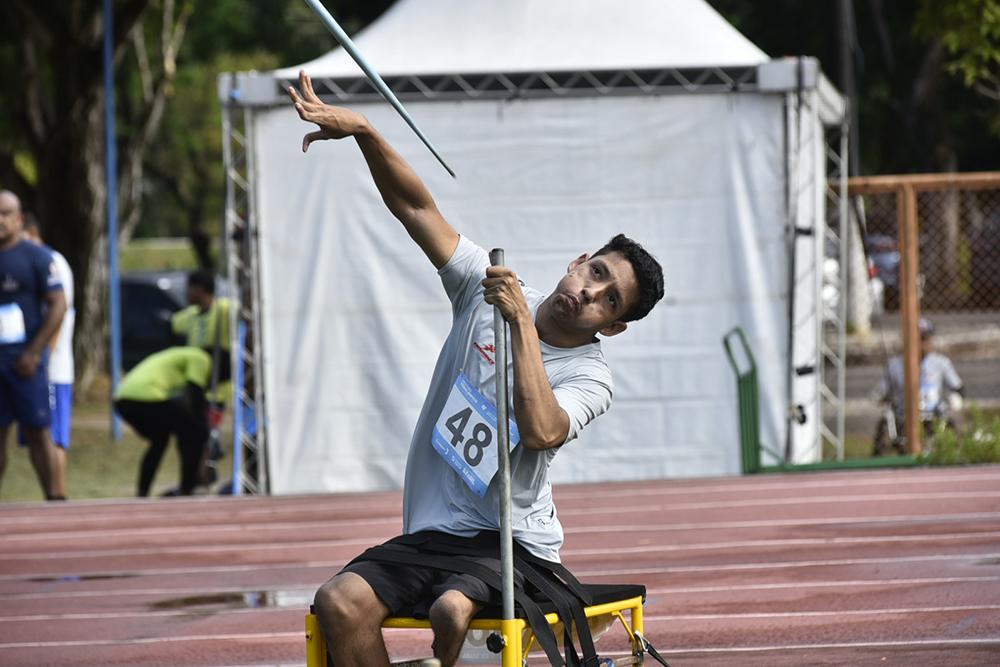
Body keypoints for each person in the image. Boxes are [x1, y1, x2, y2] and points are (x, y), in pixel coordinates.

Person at [288, 71, 665, 667]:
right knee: (338, 602)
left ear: (612, 327)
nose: (590, 292)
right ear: (577, 261)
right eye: (594, 272)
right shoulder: (479, 289)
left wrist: (518, 324)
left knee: (450, 610)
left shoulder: (592, 377)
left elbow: (541, 430)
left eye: (609, 299)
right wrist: (363, 130)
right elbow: (415, 207)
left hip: (516, 546)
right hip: (432, 535)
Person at [0, 190, 67, 501]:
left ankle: (55, 500)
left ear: (19, 219)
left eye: (5, 213)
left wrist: (34, 350)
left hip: (25, 362)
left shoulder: (37, 257)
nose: (0, 220)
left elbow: (59, 305)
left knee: (38, 432)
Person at [113, 346, 231, 497]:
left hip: (123, 399)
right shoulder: (201, 358)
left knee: (160, 439)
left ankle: (143, 492)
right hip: (145, 395)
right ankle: (188, 487)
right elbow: (196, 393)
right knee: (197, 430)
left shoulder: (183, 354)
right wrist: (204, 427)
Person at [20, 218, 75, 499]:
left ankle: (58, 500)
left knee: (52, 437)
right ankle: (51, 499)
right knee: (34, 438)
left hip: (51, 369)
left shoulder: (51, 261)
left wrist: (43, 359)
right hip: (27, 368)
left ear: (30, 231)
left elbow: (59, 312)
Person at [171, 269, 234, 478]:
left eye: (188, 288)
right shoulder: (190, 315)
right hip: (195, 386)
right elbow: (174, 324)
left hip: (217, 388)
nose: (185, 293)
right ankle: (202, 473)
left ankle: (205, 472)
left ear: (199, 289)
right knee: (195, 433)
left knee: (207, 433)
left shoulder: (224, 310)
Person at [873, 317, 964, 455]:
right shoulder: (895, 365)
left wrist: (956, 397)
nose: (921, 344)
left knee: (951, 420)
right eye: (916, 339)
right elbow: (884, 389)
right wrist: (878, 395)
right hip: (904, 414)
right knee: (884, 420)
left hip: (933, 413)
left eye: (924, 339)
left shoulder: (941, 363)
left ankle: (959, 452)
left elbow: (957, 386)